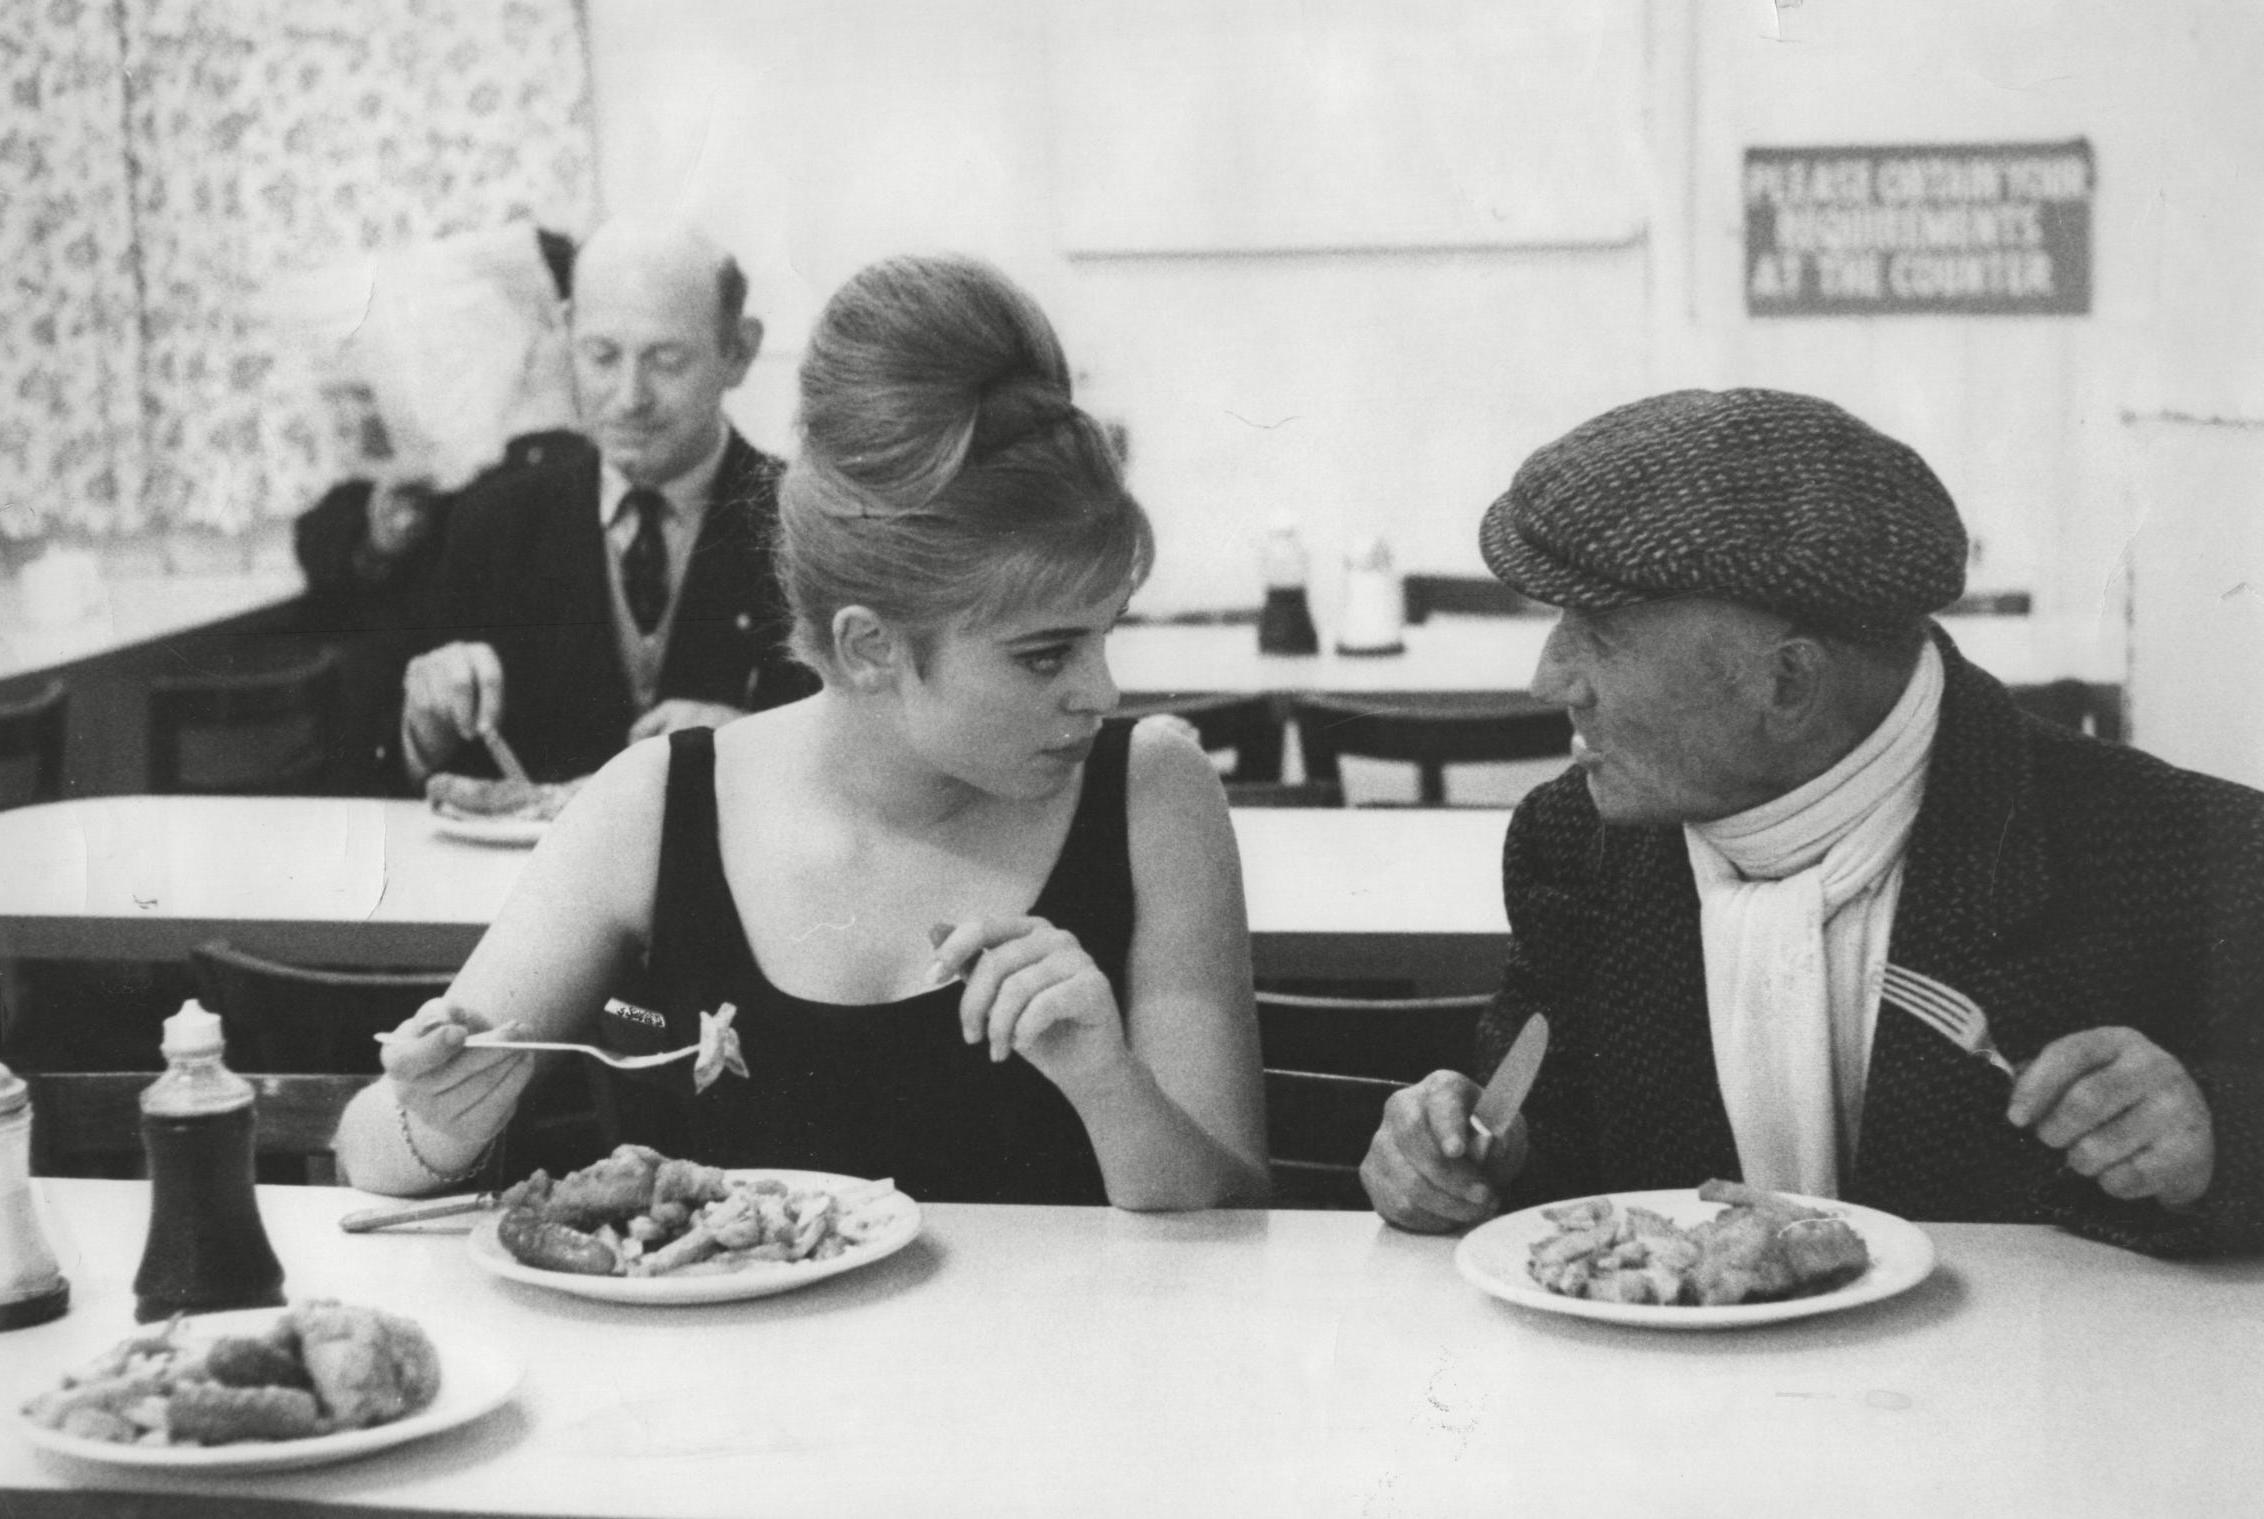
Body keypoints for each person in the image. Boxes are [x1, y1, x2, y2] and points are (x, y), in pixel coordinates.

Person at [335, 253, 1269, 1209]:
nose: (1102, 693)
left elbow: (1235, 1215)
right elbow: (371, 1146)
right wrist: (439, 1114)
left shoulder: (1153, 791)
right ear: (869, 647)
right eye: (1044, 656)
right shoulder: (655, 801)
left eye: (1106, 635)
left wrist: (1109, 1084)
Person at [1362, 387, 2264, 1257]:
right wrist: (1467, 1156)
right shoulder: (1573, 845)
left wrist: (2214, 1134)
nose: (1549, 680)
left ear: (1788, 681)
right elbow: (1560, 1138)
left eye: (1597, 630)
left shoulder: (2190, 848)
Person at [397, 218, 818, 787]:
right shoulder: (494, 522)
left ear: (738, 351)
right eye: (600, 356)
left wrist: (755, 748)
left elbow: (868, 777)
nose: (629, 398)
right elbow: (416, 781)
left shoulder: (813, 527)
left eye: (667, 361)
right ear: (567, 332)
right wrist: (428, 726)